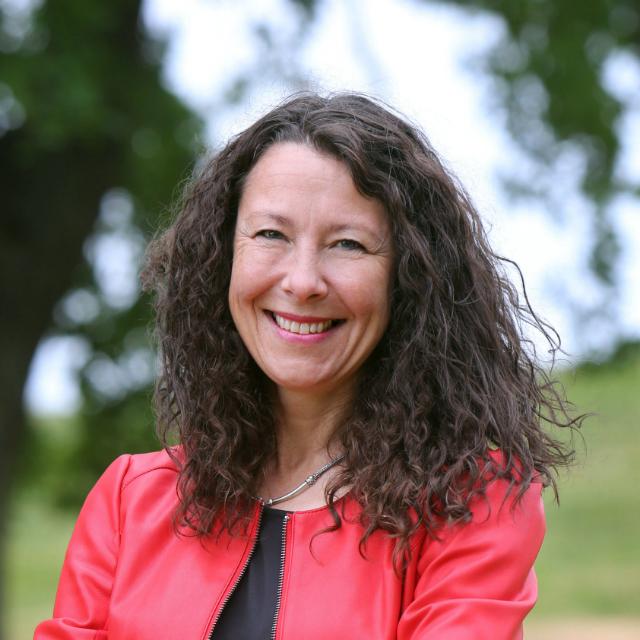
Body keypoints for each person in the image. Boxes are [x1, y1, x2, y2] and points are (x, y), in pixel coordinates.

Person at [35, 92, 580, 640]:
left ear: (410, 278)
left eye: (348, 244)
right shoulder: (130, 500)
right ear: (223, 257)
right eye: (271, 234)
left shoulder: (469, 502)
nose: (302, 282)